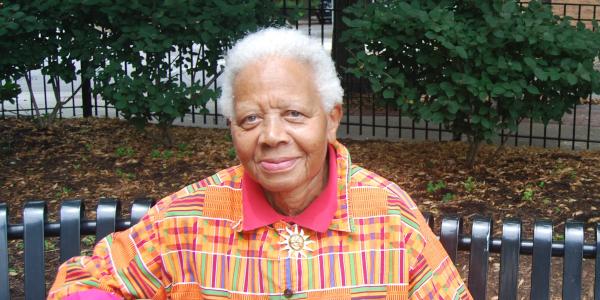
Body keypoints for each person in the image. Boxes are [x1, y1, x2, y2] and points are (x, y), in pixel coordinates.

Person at [48, 27, 472, 300]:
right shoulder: (186, 220)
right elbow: (83, 282)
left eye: (294, 115)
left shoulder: (389, 217)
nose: (271, 136)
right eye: (251, 118)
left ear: (331, 120)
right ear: (232, 127)